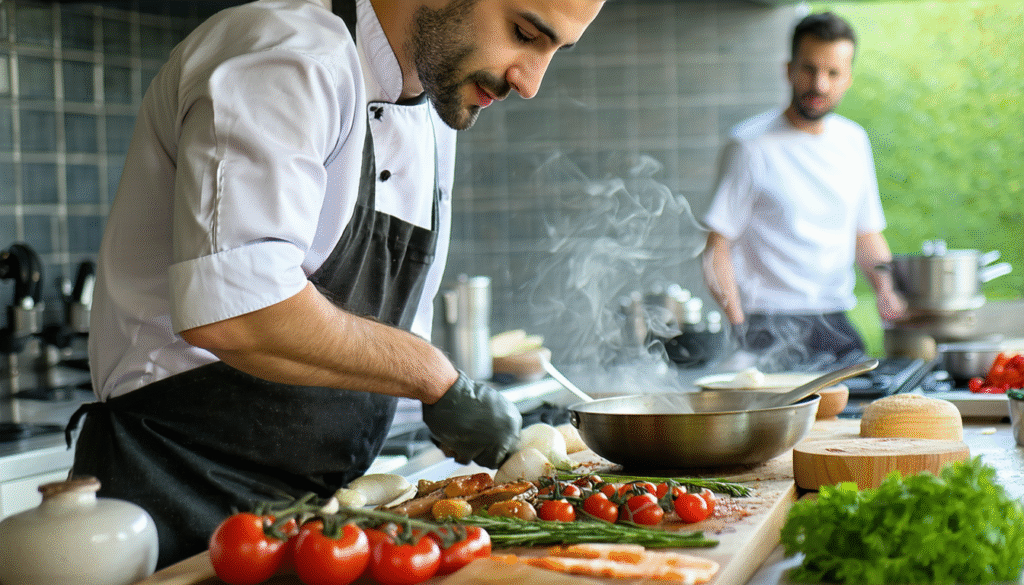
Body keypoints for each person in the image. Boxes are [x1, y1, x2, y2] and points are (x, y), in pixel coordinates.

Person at [67, 0, 606, 568]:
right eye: (523, 33)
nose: (530, 83)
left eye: (554, 52)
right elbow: (238, 313)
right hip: (174, 506)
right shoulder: (286, 54)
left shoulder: (433, 113)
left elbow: (377, 345)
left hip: (318, 526)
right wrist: (435, 380)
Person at [701, 11, 904, 371]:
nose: (820, 85)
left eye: (833, 73)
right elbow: (716, 248)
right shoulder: (750, 145)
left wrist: (887, 291)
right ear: (789, 69)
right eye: (809, 69)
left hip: (835, 320)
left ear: (848, 79)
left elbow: (867, 234)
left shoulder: (853, 141)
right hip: (768, 324)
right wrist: (738, 323)